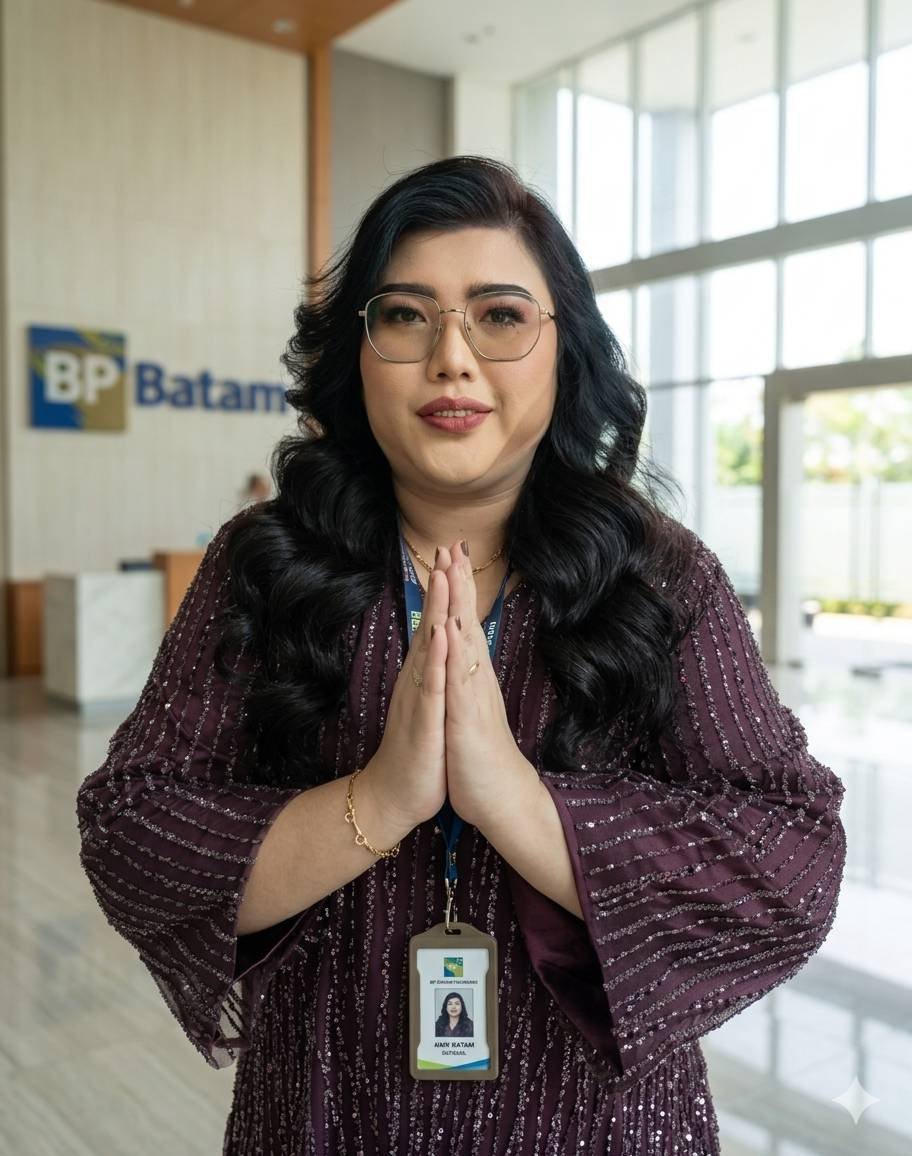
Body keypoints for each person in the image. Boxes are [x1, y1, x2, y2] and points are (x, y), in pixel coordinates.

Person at [76, 156, 847, 1155]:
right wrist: (377, 800)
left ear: (564, 351)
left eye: (500, 315)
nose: (452, 357)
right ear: (358, 355)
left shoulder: (660, 575)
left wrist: (517, 802)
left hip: (599, 1126)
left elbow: (792, 859)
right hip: (322, 1116)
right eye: (406, 315)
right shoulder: (265, 561)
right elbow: (131, 826)